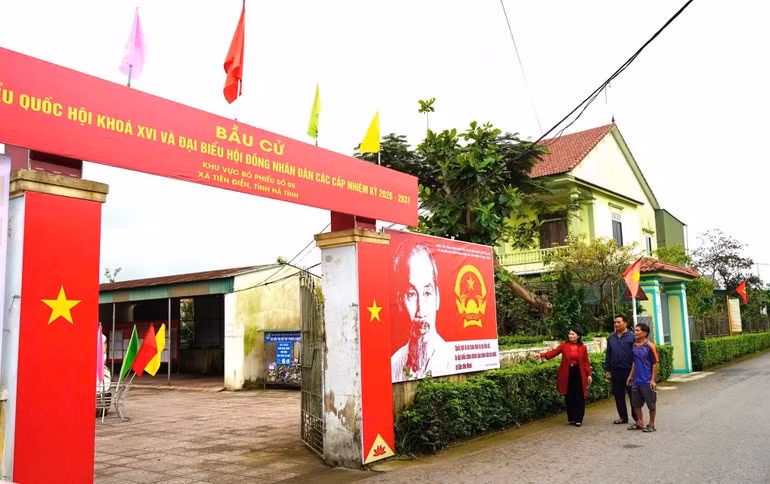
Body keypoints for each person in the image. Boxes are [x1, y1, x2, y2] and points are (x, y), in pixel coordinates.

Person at [391, 243, 452, 382]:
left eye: (427, 293)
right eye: (411, 294)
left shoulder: (451, 359)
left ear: (437, 297)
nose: (421, 310)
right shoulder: (393, 365)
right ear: (400, 301)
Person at [534, 327, 592, 426]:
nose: (570, 336)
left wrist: (589, 374)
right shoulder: (564, 346)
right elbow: (553, 352)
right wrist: (541, 355)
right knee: (569, 396)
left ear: (578, 336)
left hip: (579, 372)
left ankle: (579, 419)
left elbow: (586, 361)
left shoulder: (582, 347)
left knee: (579, 395)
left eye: (573, 334)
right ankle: (572, 418)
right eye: (569, 334)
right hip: (567, 372)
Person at [604, 315, 638, 424]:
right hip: (616, 371)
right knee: (618, 395)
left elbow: (637, 354)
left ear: (625, 323)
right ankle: (623, 417)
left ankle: (637, 417)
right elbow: (608, 354)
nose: (616, 324)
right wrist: (607, 369)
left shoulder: (632, 337)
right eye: (615, 322)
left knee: (633, 395)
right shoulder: (611, 338)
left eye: (618, 322)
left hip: (629, 370)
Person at [626, 322, 658, 432]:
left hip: (647, 380)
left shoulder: (650, 346)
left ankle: (651, 424)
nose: (635, 332)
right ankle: (640, 422)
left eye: (638, 330)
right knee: (636, 403)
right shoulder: (634, 346)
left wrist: (653, 380)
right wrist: (630, 376)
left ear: (645, 333)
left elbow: (654, 363)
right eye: (635, 330)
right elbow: (635, 362)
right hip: (637, 380)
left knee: (651, 404)